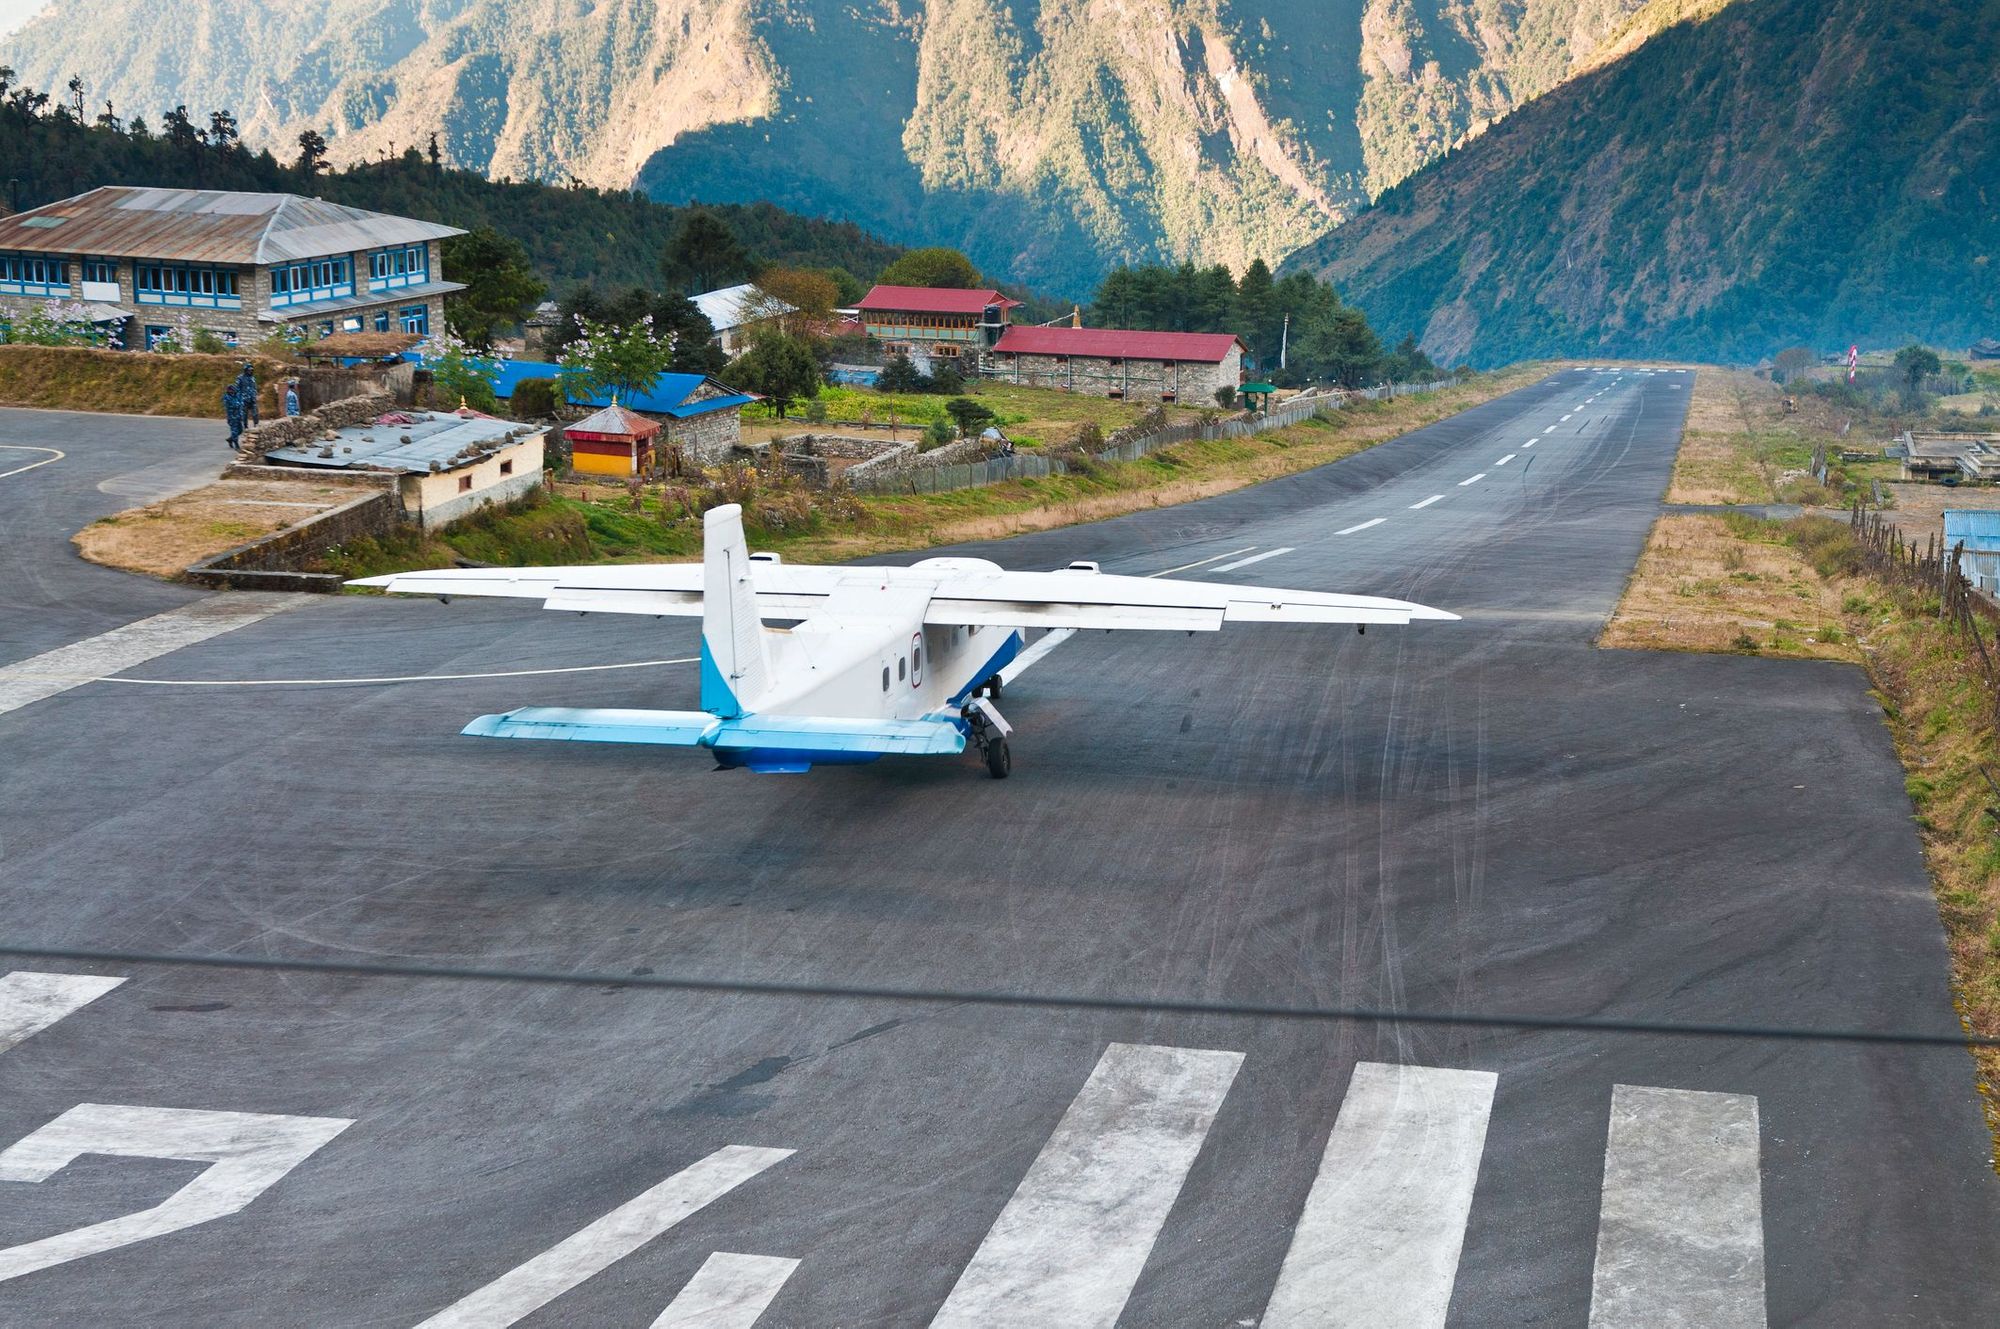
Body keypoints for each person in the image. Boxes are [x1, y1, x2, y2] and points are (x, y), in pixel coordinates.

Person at [234, 363, 261, 428]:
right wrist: (238, 398)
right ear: (245, 370)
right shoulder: (240, 378)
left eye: (251, 370)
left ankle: (256, 425)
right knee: (244, 414)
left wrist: (255, 394)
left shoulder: (253, 378)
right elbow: (237, 388)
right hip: (244, 399)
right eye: (249, 370)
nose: (250, 371)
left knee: (255, 413)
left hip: (252, 398)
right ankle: (245, 426)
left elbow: (254, 387)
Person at [222, 379, 244, 451]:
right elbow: (230, 405)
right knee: (234, 431)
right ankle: (236, 445)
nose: (232, 391)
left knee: (240, 430)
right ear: (228, 390)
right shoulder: (226, 397)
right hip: (232, 417)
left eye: (233, 390)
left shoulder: (236, 396)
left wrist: (239, 405)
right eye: (230, 390)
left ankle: (231, 439)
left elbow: (241, 403)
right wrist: (237, 405)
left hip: (238, 416)